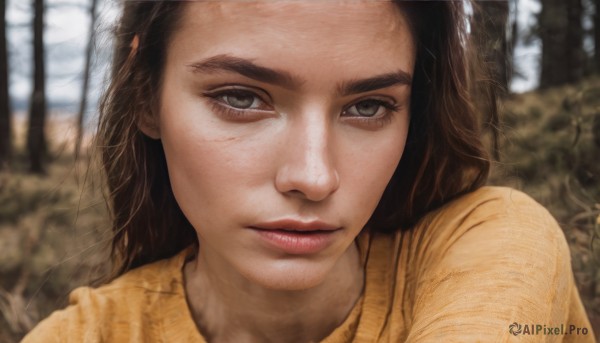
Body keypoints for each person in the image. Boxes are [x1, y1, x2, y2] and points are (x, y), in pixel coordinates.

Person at [23, 1, 595, 342]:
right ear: (147, 96)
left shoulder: (495, 246)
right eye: (241, 97)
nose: (314, 177)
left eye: (368, 106)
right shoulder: (85, 335)